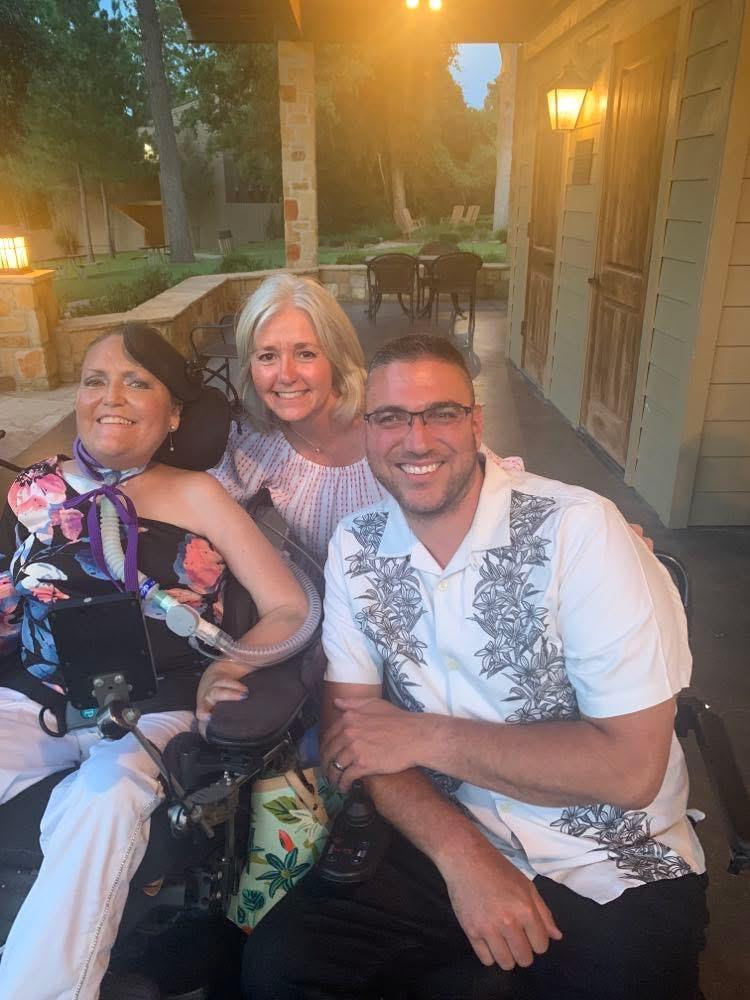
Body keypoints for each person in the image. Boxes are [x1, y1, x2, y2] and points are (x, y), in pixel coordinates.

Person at [241, 334, 708, 1000]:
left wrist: (423, 735)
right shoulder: (356, 547)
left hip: (612, 860)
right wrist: (461, 854)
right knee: (280, 968)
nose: (416, 440)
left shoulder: (579, 532)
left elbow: (631, 771)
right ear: (367, 430)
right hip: (439, 831)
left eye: (440, 413)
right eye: (390, 417)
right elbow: (352, 738)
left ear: (475, 422)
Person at [0, 324, 309, 1000]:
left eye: (136, 382)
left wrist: (234, 664)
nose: (111, 397)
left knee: (103, 803)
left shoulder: (199, 495)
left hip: (155, 704)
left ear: (172, 415)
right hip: (38, 693)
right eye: (95, 380)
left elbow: (289, 607)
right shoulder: (36, 489)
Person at [210, 273, 523, 567]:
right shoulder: (258, 442)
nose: (286, 375)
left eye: (306, 354)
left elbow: (502, 486)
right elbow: (202, 500)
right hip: (319, 597)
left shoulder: (391, 414)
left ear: (336, 356)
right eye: (267, 356)